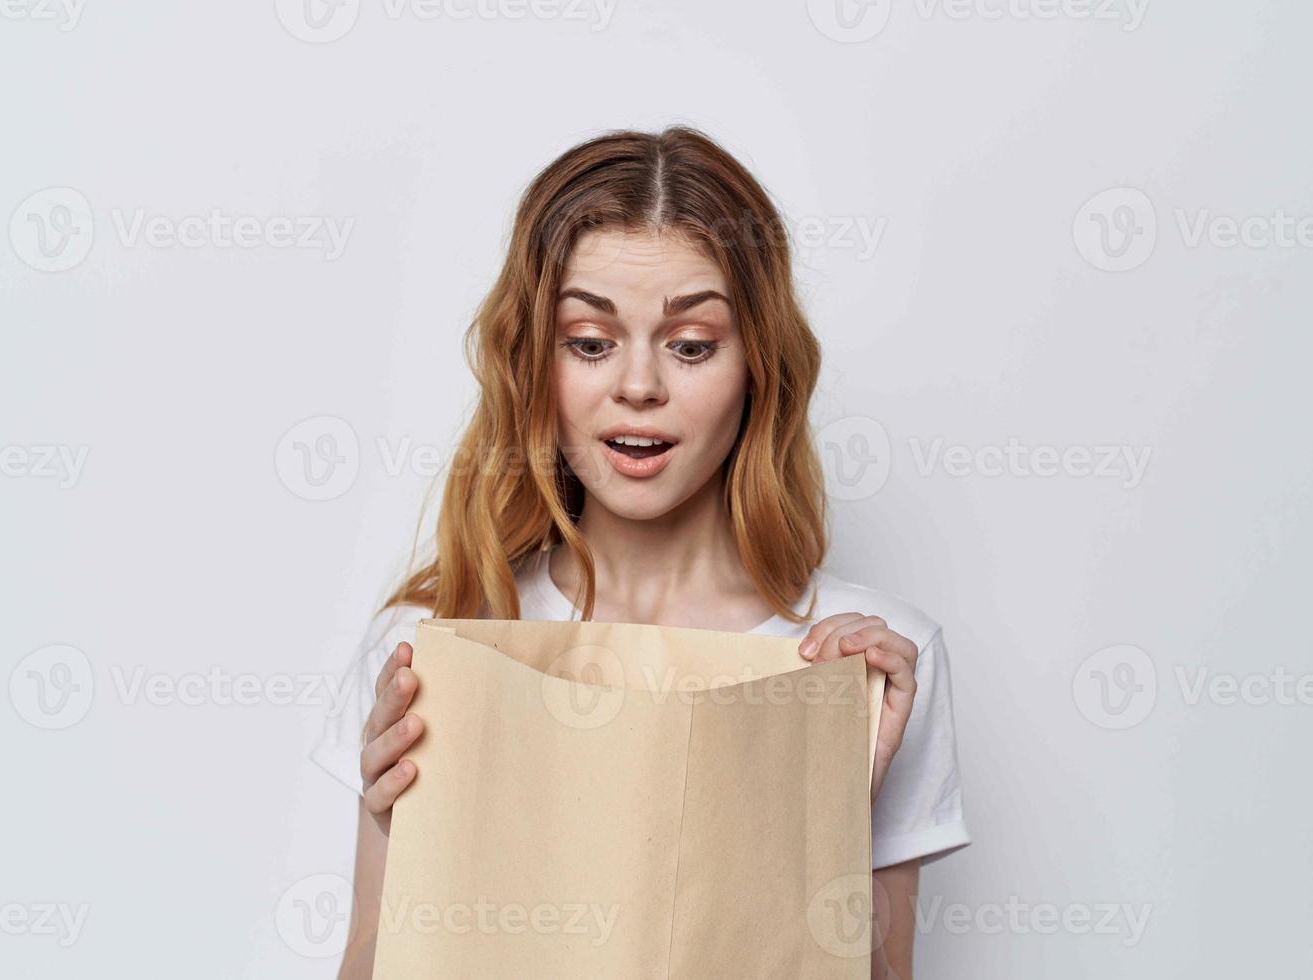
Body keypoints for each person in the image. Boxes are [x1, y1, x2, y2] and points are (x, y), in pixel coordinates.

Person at [311, 125, 970, 979]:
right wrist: (387, 821)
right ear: (531, 365)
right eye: (589, 341)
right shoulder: (436, 640)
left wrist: (836, 805)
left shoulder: (866, 659)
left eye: (691, 345)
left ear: (757, 366)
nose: (639, 386)